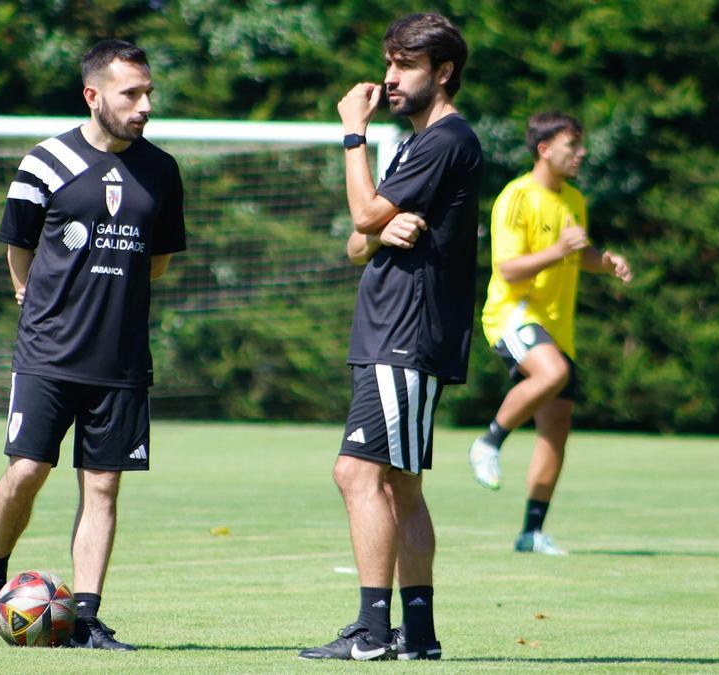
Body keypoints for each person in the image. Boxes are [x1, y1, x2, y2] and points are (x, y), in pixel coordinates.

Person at [0, 38, 186, 649]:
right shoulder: (45, 162)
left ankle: (85, 617)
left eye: (147, 94)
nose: (143, 106)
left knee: (104, 486)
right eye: (130, 94)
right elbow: (19, 244)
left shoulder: (161, 170)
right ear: (93, 95)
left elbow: (158, 260)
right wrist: (29, 299)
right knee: (28, 469)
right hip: (49, 351)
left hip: (121, 359)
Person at [299, 12, 481, 662]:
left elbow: (360, 210)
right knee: (401, 484)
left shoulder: (445, 141)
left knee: (355, 471)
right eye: (388, 63)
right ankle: (419, 633)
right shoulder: (415, 145)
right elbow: (357, 240)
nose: (388, 78)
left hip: (405, 333)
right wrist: (380, 228)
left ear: (444, 71)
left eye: (403, 65)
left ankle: (373, 633)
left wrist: (353, 135)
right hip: (391, 331)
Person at [468, 112, 632, 556]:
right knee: (552, 372)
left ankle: (532, 532)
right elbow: (508, 269)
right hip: (514, 314)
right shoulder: (517, 197)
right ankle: (488, 442)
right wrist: (559, 250)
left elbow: (577, 257)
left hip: (558, 326)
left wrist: (605, 261)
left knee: (556, 429)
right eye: (572, 146)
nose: (581, 154)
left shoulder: (574, 200)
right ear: (544, 149)